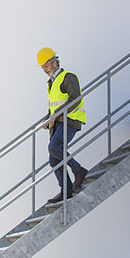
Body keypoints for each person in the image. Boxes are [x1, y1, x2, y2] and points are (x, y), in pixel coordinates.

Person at [37, 47, 88, 204]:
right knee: (53, 159)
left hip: (71, 120)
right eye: (43, 67)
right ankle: (66, 191)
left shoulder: (68, 77)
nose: (45, 70)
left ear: (54, 62)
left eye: (46, 66)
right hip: (58, 123)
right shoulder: (51, 83)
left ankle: (79, 170)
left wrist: (56, 115)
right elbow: (54, 106)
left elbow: (75, 99)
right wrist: (48, 119)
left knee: (54, 148)